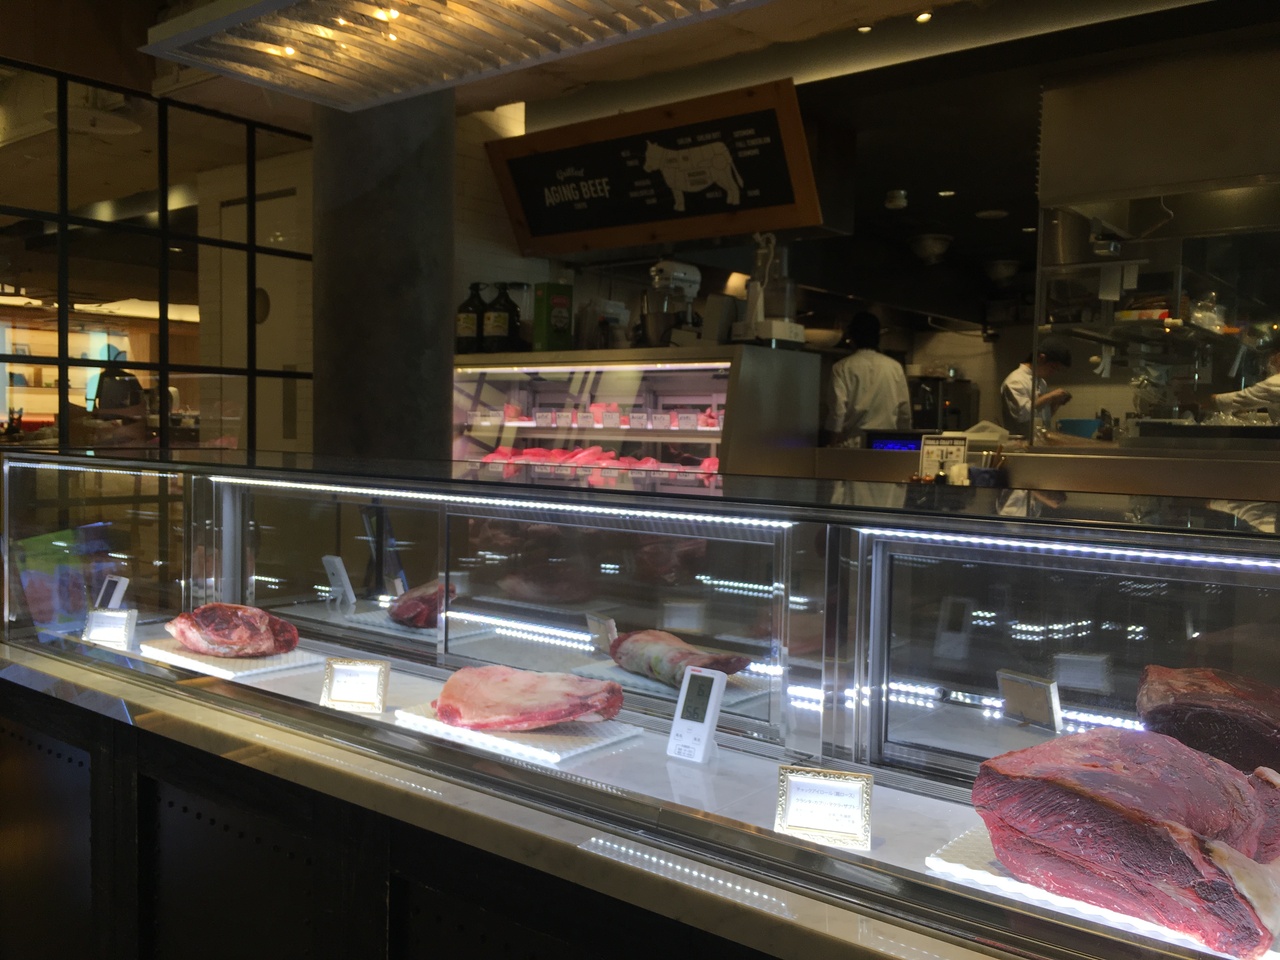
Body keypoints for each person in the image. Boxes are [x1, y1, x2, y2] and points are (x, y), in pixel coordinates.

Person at [823, 311, 911, 448]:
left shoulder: (842, 367)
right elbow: (904, 413)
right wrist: (904, 440)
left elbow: (838, 412)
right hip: (887, 445)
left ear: (852, 337)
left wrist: (832, 443)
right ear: (878, 337)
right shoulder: (895, 367)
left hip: (854, 446)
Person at [1000, 339, 1073, 436]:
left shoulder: (1041, 382)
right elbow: (1021, 415)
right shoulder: (1015, 381)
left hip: (1039, 440)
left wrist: (1056, 403)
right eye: (1053, 367)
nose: (1053, 372)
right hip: (1020, 442)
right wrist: (1049, 396)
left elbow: (1042, 418)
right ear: (1041, 358)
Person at [1209, 349, 1280, 421]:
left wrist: (1208, 401)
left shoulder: (1273, 383)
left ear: (1278, 358)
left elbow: (1222, 401)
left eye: (1270, 359)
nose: (1267, 366)